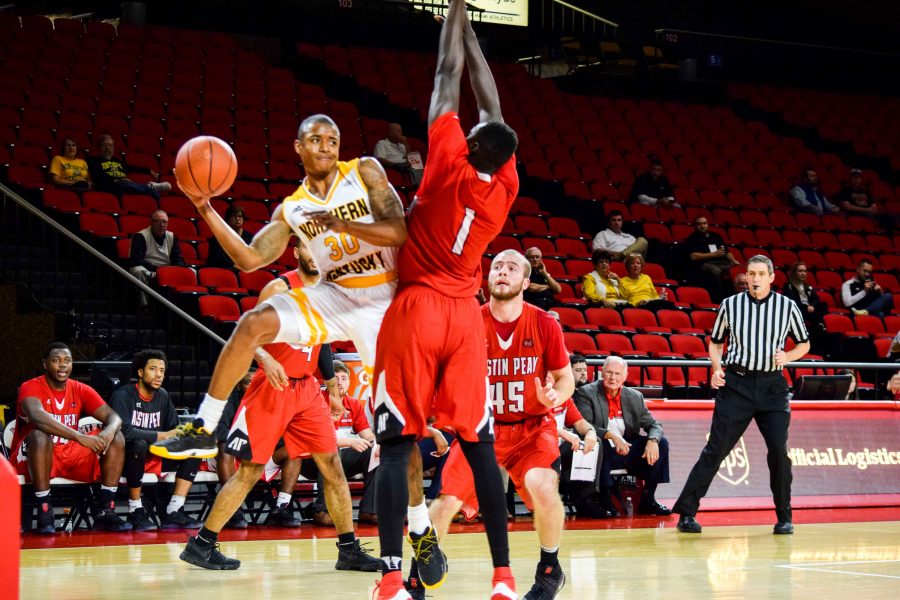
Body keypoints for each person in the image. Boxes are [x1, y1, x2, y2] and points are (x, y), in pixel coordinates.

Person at [149, 110, 406, 460]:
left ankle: (420, 515)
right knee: (251, 323)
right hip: (337, 295)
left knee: (399, 430)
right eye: (316, 140)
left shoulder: (363, 171)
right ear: (298, 147)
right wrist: (205, 207)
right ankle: (204, 427)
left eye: (333, 141)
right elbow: (250, 259)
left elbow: (398, 231)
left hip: (382, 301)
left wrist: (344, 226)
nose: (326, 148)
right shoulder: (293, 209)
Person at [371, 3, 520, 598]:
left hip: (417, 308)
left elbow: (447, 76)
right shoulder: (506, 187)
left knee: (394, 442)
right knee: (480, 445)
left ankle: (388, 580)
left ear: (469, 144)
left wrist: (454, 14)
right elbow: (492, 102)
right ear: (503, 159)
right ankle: (504, 576)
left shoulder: (443, 160)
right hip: (464, 314)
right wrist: (474, 33)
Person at [169, 243, 380, 570]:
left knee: (332, 466)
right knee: (250, 470)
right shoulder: (279, 288)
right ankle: (202, 543)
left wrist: (330, 390)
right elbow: (245, 334)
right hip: (273, 386)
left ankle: (348, 549)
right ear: (296, 251)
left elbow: (321, 341)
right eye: (310, 247)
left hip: (307, 390)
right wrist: (265, 359)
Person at [427, 249, 578, 599]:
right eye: (497, 267)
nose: (502, 272)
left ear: (526, 282)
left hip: (531, 427)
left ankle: (550, 569)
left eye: (512, 268)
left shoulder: (544, 323)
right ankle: (420, 577)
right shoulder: (468, 321)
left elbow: (565, 377)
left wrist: (555, 396)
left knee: (543, 487)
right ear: (488, 278)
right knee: (445, 502)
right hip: (480, 429)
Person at [673, 255, 810, 535]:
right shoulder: (729, 305)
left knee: (779, 453)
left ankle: (785, 517)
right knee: (716, 449)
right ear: (746, 276)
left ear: (772, 277)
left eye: (761, 274)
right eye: (751, 273)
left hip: (772, 386)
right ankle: (686, 513)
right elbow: (714, 344)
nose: (755, 278)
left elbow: (805, 344)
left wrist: (788, 355)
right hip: (736, 384)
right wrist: (716, 368)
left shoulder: (788, 307)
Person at [11, 342, 131, 534]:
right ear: (45, 364)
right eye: (56, 360)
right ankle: (45, 512)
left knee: (117, 438)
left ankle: (105, 510)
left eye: (67, 361)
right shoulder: (30, 387)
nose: (62, 365)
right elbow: (37, 417)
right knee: (40, 435)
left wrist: (108, 433)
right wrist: (79, 436)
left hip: (69, 453)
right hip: (35, 456)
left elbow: (114, 417)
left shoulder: (80, 389)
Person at [110, 349, 202, 531]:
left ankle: (174, 509)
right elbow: (124, 432)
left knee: (194, 447)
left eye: (162, 370)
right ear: (140, 372)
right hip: (129, 459)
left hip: (156, 456)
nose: (159, 374)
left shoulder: (163, 396)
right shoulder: (123, 395)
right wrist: (162, 436)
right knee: (138, 444)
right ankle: (135, 509)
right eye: (153, 369)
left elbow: (174, 429)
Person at [572, 357, 671, 518]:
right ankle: (605, 499)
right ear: (602, 373)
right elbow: (585, 426)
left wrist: (652, 441)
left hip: (626, 449)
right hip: (602, 451)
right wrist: (612, 436)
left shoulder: (634, 396)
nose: (613, 378)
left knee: (662, 443)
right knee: (600, 443)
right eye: (609, 373)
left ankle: (648, 499)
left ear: (625, 376)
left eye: (618, 374)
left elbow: (654, 425)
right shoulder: (586, 393)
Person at [302, 359, 378, 526]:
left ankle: (369, 511)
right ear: (328, 383)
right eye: (335, 378)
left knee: (376, 454)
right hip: (310, 459)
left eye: (344, 378)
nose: (339, 382)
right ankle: (322, 511)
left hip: (341, 456)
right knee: (329, 452)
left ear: (350, 382)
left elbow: (367, 434)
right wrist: (349, 442)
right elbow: (318, 439)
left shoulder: (354, 404)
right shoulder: (316, 401)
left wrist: (377, 445)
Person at [128, 209, 186, 308]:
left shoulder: (172, 237)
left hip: (166, 269)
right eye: (158, 221)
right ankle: (144, 305)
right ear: (151, 223)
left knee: (191, 272)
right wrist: (156, 269)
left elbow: (178, 258)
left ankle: (182, 305)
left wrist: (177, 269)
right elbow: (137, 259)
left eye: (164, 222)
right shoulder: (141, 236)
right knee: (137, 271)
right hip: (148, 268)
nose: (162, 225)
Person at [86, 134, 172, 199]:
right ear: (98, 147)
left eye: (110, 145)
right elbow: (98, 175)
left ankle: (150, 188)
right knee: (123, 185)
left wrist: (148, 170)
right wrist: (116, 179)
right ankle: (149, 186)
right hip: (110, 186)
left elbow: (130, 168)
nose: (107, 148)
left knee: (154, 193)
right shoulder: (93, 160)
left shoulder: (116, 160)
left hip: (127, 184)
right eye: (104, 145)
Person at [683, 215, 740, 302]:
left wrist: (733, 260)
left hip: (722, 262)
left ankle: (737, 296)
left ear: (708, 224)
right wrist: (713, 254)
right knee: (716, 271)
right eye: (699, 224)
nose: (702, 226)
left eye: (704, 223)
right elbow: (693, 256)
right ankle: (719, 299)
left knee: (737, 270)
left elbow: (727, 251)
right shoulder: (692, 238)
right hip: (704, 264)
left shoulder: (716, 236)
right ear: (695, 226)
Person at [783, 261, 827, 335]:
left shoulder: (808, 286)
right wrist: (806, 307)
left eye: (805, 271)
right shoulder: (788, 285)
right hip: (800, 309)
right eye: (800, 271)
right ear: (794, 273)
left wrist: (812, 306)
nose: (803, 273)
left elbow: (816, 298)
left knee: (823, 305)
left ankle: (819, 325)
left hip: (810, 309)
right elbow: (791, 300)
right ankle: (818, 325)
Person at [206, 204, 254, 270]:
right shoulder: (219, 236)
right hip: (223, 268)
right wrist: (234, 266)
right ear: (228, 219)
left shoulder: (249, 237)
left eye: (240, 216)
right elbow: (217, 257)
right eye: (234, 216)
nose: (237, 219)